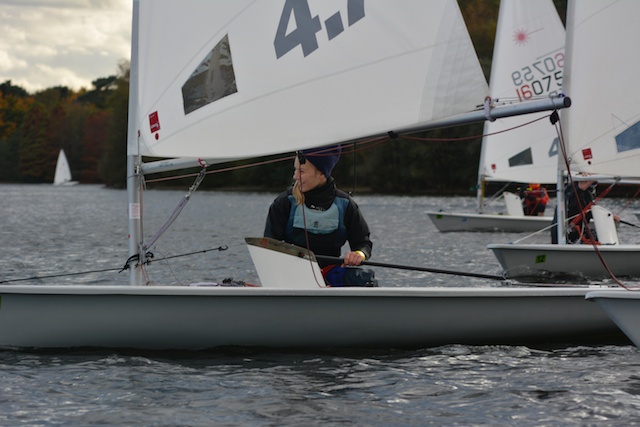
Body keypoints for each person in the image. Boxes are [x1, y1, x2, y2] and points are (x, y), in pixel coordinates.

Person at [264, 144, 374, 286]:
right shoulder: (284, 202)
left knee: (364, 279)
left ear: (322, 173)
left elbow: (363, 243)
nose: (295, 176)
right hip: (292, 274)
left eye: (301, 171)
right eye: (295, 170)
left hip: (331, 274)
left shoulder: (345, 205)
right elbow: (269, 246)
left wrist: (359, 254)